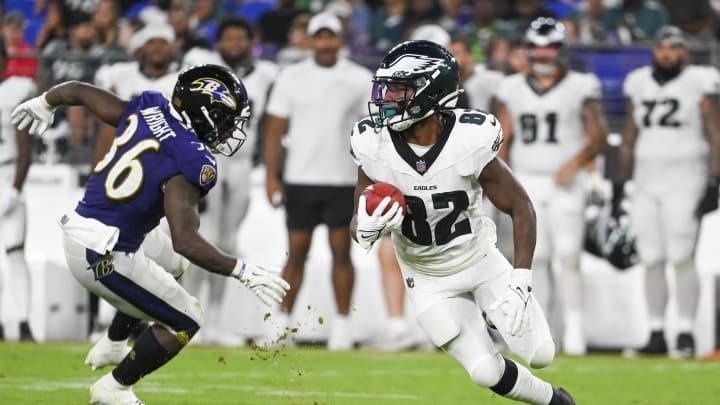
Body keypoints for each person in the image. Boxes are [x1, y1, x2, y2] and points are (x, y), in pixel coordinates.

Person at [10, 64, 290, 404]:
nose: (229, 128)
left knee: (172, 263)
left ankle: (115, 342)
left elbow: (80, 92)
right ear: (204, 114)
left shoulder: (150, 106)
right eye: (225, 118)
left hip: (95, 232)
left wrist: (46, 101)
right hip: (101, 254)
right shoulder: (192, 159)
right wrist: (241, 270)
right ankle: (114, 388)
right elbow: (187, 240)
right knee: (187, 319)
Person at [350, 39, 575, 405]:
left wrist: (521, 278)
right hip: (426, 276)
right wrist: (365, 229)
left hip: (480, 260)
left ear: (431, 91)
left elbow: (521, 206)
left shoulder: (469, 138)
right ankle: (554, 400)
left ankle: (491, 311)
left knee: (541, 354)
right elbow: (356, 222)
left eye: (399, 89)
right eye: (386, 87)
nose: (387, 98)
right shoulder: (372, 143)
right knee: (485, 372)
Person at [494, 18, 608, 356]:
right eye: (538, 47)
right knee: (535, 259)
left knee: (569, 255)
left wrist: (574, 164)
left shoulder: (581, 85)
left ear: (561, 50)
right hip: (525, 179)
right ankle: (542, 330)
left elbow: (598, 136)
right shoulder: (510, 87)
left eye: (549, 47)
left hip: (565, 181)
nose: (543, 54)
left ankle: (574, 329)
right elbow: (502, 139)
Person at [262, 12, 371, 350]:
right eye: (319, 37)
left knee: (341, 252)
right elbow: (274, 131)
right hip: (300, 179)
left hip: (342, 179)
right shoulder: (290, 77)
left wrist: (366, 181)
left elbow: (370, 135)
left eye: (331, 37)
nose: (325, 43)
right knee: (296, 252)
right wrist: (271, 177)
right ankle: (280, 325)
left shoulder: (359, 78)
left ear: (341, 40)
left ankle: (342, 327)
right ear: (309, 40)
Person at [615, 26, 720, 358]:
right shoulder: (639, 82)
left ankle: (686, 332)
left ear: (684, 52)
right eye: (662, 47)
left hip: (686, 178)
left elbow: (715, 133)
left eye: (673, 48)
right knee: (651, 259)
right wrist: (619, 184)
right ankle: (656, 331)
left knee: (680, 256)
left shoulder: (700, 81)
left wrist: (715, 180)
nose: (666, 53)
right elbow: (629, 137)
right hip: (646, 180)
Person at [182, 16, 279, 346]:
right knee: (203, 238)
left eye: (242, 37)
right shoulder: (202, 67)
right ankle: (190, 316)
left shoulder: (266, 74)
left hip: (241, 165)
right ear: (218, 42)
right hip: (208, 160)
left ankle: (217, 320)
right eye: (230, 38)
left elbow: (268, 122)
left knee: (229, 241)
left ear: (251, 41)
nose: (235, 43)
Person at [0, 40, 37, 342]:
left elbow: (25, 146)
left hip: (8, 172)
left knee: (14, 253)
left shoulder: (15, 91)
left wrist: (15, 187)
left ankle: (24, 322)